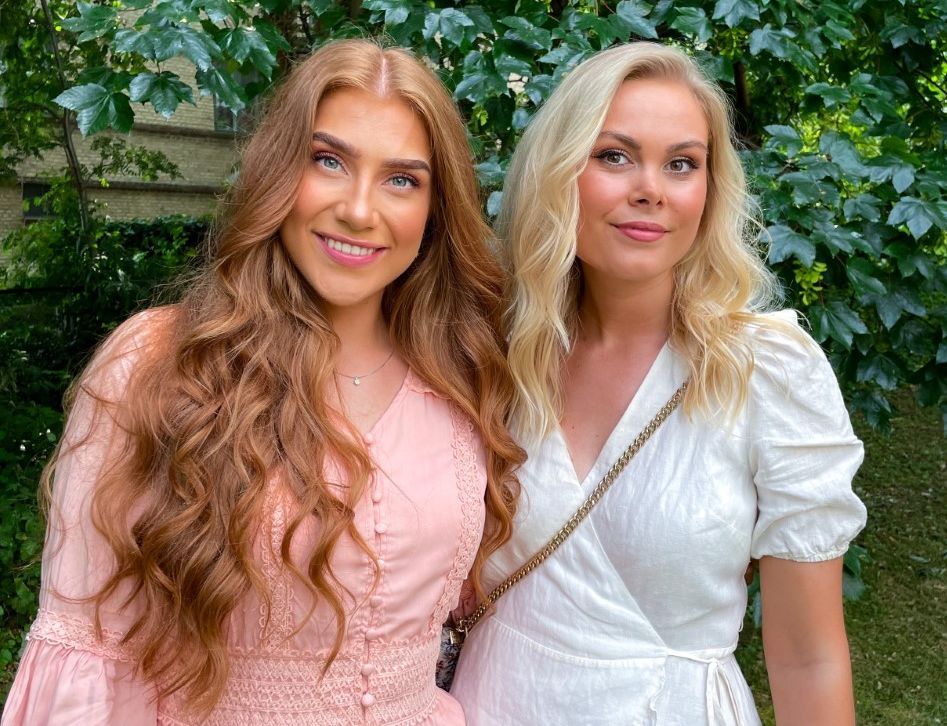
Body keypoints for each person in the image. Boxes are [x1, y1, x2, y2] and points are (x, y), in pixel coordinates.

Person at [2, 39, 521, 725]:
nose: (360, 210)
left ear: (434, 210)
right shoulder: (159, 362)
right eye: (328, 161)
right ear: (279, 172)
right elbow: (89, 648)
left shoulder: (460, 375)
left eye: (402, 180)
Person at [451, 42, 867, 725]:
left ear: (708, 189)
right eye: (614, 155)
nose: (650, 187)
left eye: (681, 163)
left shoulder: (765, 371)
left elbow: (808, 659)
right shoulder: (494, 351)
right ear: (559, 172)